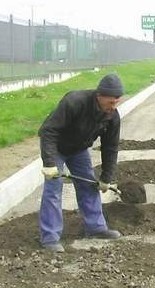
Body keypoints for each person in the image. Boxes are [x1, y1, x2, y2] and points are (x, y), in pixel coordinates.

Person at [38, 73, 125, 252]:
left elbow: (110, 148)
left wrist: (106, 178)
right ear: (99, 96)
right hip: (57, 148)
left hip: (78, 150)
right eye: (110, 102)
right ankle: (50, 238)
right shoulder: (74, 102)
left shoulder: (112, 116)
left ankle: (95, 228)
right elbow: (48, 131)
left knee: (89, 185)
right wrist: (49, 163)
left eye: (117, 102)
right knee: (53, 189)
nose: (113, 106)